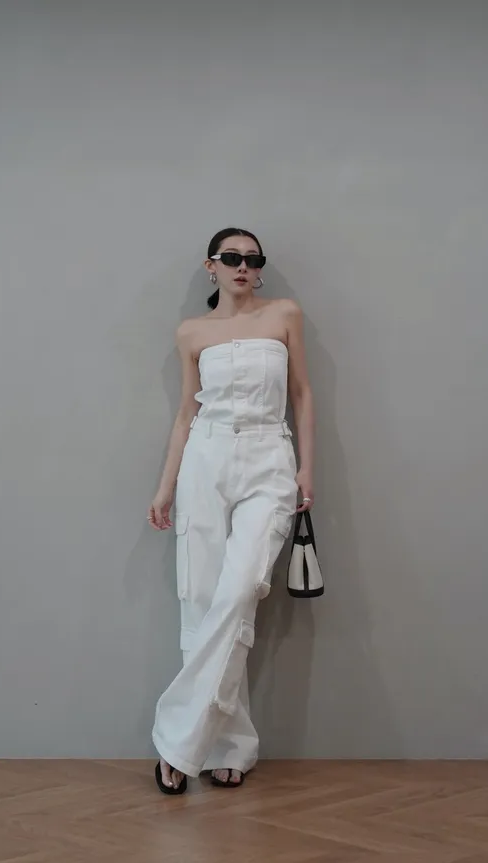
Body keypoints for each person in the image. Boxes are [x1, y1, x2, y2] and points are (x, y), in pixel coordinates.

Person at [148, 227, 315, 794]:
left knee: (239, 593)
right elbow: (185, 414)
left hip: (270, 458)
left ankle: (177, 743)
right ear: (211, 266)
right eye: (231, 257)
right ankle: (231, 746)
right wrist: (165, 487)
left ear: (260, 268)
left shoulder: (284, 314)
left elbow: (302, 395)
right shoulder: (191, 331)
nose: (243, 266)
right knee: (202, 600)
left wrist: (307, 469)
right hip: (205, 459)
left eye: (253, 258)